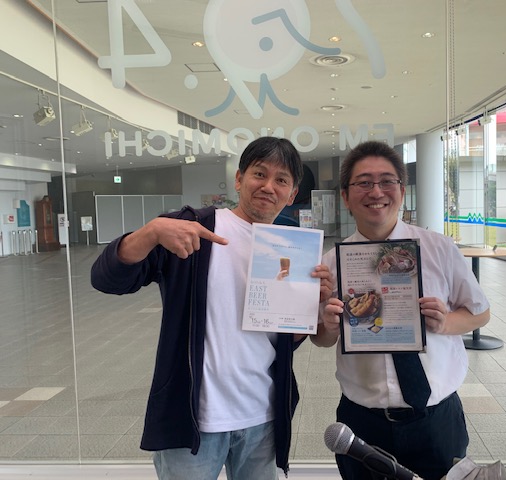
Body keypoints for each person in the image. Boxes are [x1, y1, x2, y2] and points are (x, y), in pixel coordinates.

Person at [91, 137, 333, 480]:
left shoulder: (290, 248)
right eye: (259, 174)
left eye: (281, 180)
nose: (268, 186)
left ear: (292, 194)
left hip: (262, 418)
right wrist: (152, 231)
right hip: (194, 421)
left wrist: (309, 305)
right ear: (239, 179)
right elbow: (106, 278)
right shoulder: (193, 230)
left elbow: (282, 340)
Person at [312, 140, 490, 480]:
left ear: (402, 191)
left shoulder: (439, 248)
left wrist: (445, 322)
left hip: (436, 420)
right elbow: (321, 339)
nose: (376, 191)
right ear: (346, 197)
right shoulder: (331, 264)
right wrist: (330, 326)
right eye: (364, 183)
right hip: (362, 421)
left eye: (386, 181)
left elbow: (480, 313)